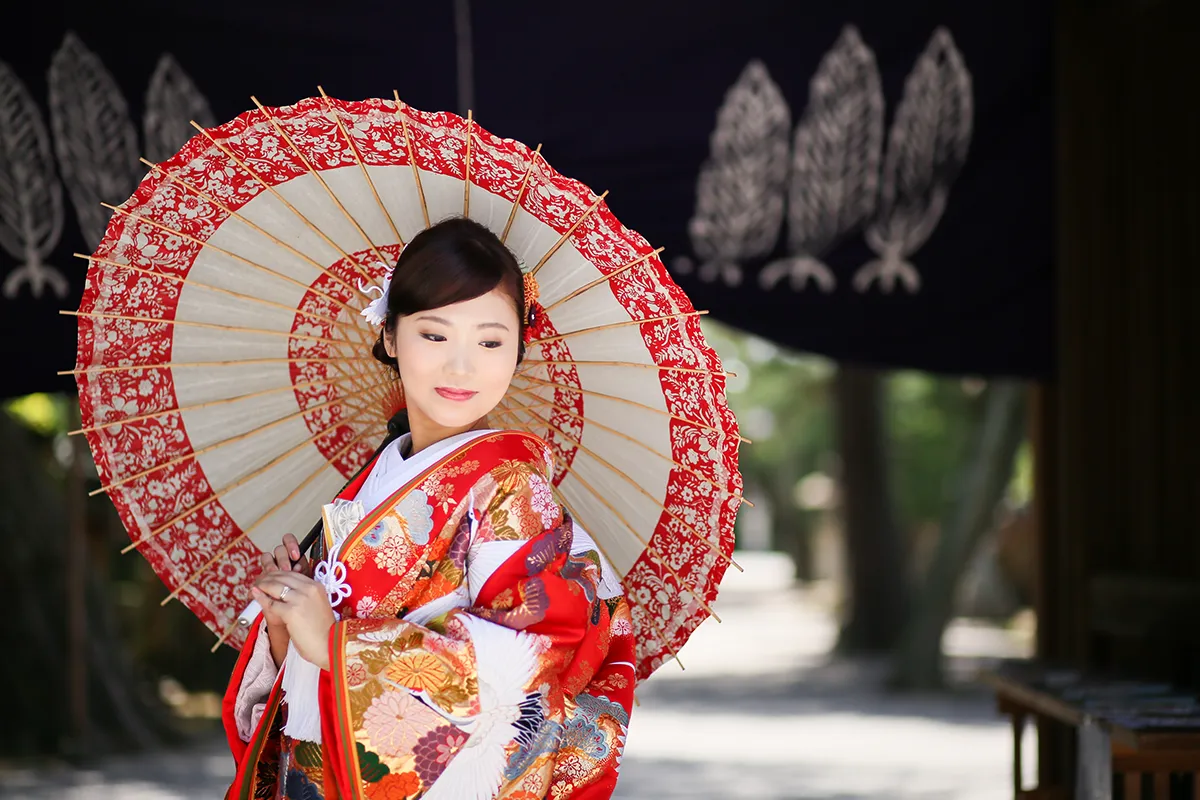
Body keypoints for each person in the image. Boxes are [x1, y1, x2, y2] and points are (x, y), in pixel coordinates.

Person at [221, 217, 636, 800]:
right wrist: (289, 626)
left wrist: (336, 645)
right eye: (435, 336)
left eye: (490, 341)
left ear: (518, 348)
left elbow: (532, 674)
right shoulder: (374, 478)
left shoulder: (514, 493)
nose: (461, 367)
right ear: (390, 337)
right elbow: (307, 674)